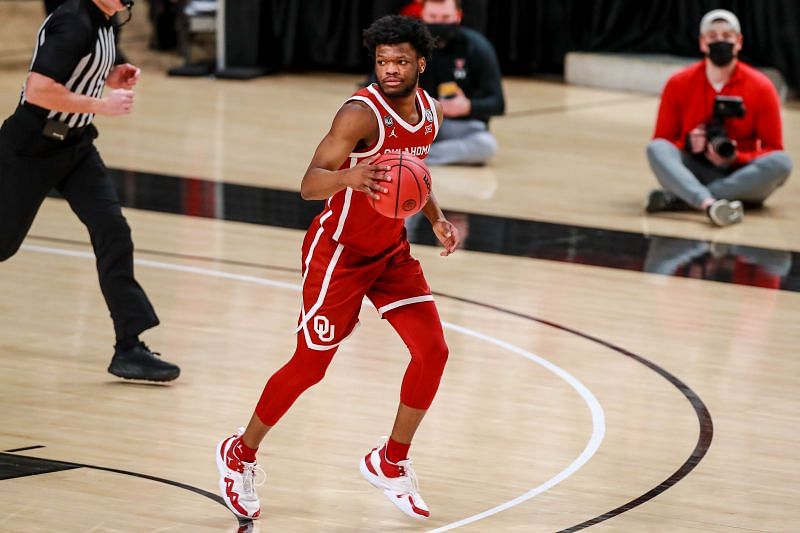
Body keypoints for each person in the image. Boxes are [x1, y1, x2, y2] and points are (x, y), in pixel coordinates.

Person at [215, 15, 459, 521]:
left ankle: (390, 461)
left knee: (433, 351)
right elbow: (309, 185)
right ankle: (240, 452)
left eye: (400, 62)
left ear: (421, 63)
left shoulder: (430, 113)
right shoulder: (359, 114)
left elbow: (415, 177)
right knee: (311, 365)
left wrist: (435, 219)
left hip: (391, 253)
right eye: (382, 61)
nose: (390, 70)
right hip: (340, 254)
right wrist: (350, 176)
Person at [0, 0, 180, 382]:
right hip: (30, 148)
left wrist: (107, 76)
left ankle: (129, 347)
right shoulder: (73, 22)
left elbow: (71, 74)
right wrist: (102, 103)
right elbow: (38, 90)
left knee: (113, 230)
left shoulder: (105, 21)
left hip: (75, 147)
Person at [645, 9, 792, 227]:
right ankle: (710, 204)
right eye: (712, 37)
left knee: (782, 163)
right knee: (656, 148)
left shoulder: (761, 87)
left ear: (739, 41)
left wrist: (736, 157)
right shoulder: (678, 83)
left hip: (740, 175)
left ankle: (687, 199)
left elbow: (773, 148)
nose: (719, 41)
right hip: (694, 167)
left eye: (726, 36)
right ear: (703, 43)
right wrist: (687, 143)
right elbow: (663, 139)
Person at [419, 0, 504, 165]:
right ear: (422, 15)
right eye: (432, 17)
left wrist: (468, 106)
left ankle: (416, 158)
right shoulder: (409, 47)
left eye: (445, 18)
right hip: (416, 123)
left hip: (457, 126)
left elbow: (498, 103)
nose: (438, 23)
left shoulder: (476, 47)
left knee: (486, 146)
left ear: (458, 16)